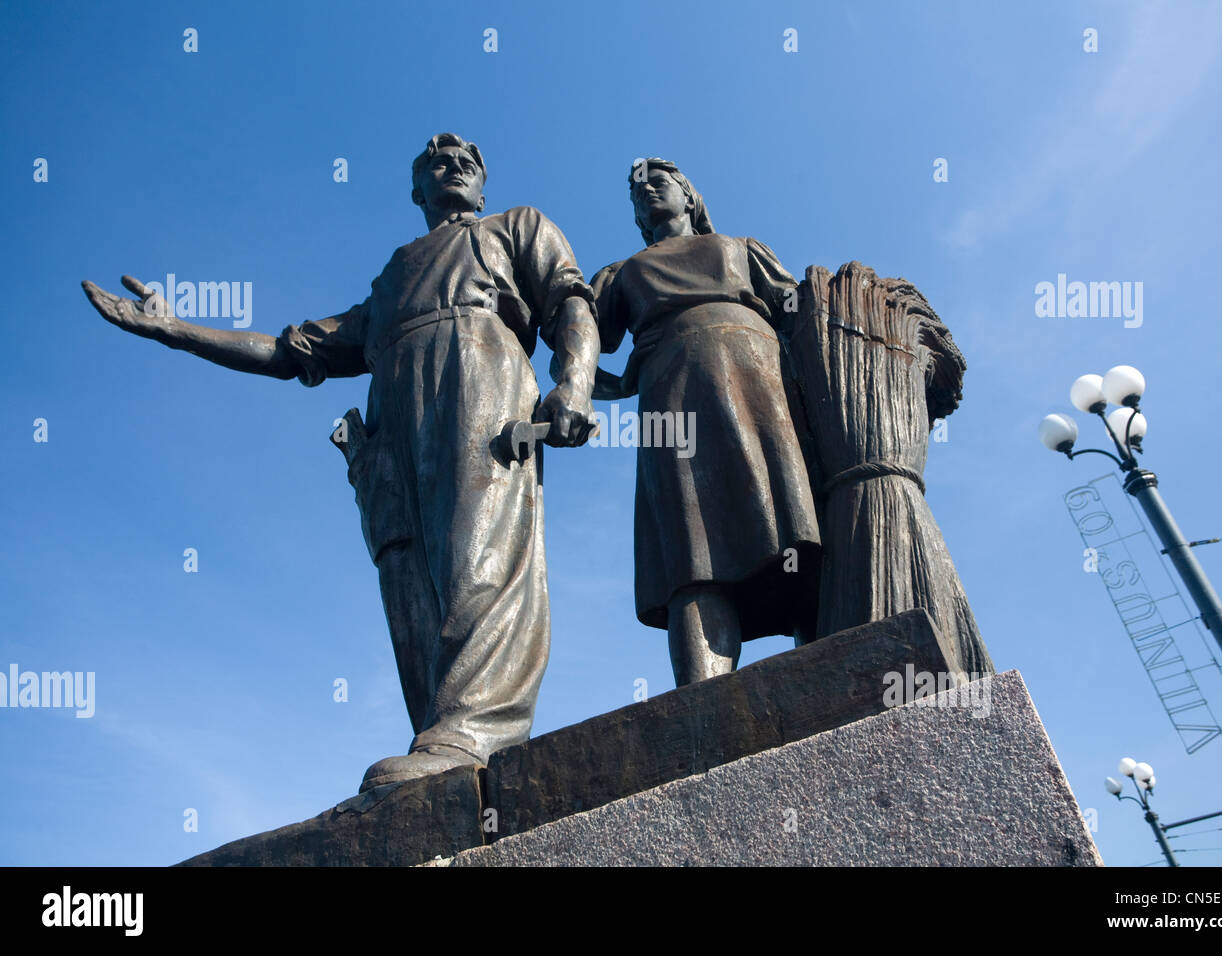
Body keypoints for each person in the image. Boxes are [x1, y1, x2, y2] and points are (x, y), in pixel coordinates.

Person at [81, 133, 600, 792]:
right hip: (392, 419)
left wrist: (575, 382)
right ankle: (441, 742)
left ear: (484, 183)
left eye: (470, 160)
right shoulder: (391, 280)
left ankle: (475, 729)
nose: (456, 161)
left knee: (480, 561)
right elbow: (284, 352)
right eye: (438, 160)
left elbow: (570, 303)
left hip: (483, 382)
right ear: (416, 190)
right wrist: (177, 332)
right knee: (409, 580)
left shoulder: (516, 226)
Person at [589, 158, 821, 686]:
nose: (646, 192)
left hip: (762, 382)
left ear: (689, 195)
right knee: (691, 539)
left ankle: (822, 657)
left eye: (658, 182)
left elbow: (801, 311)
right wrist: (598, 385)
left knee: (794, 522)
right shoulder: (625, 274)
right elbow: (579, 343)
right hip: (671, 396)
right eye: (635, 192)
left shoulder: (739, 249)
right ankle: (704, 692)